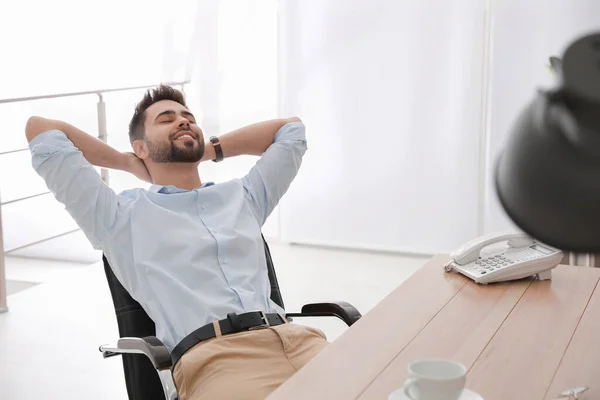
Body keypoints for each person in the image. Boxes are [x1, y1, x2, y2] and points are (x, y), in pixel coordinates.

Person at [25, 84, 328, 399]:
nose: (183, 122)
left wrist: (204, 150)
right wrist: (127, 162)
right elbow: (41, 129)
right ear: (140, 147)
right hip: (218, 361)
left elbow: (292, 131)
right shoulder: (117, 217)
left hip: (298, 340)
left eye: (188, 118)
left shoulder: (244, 197)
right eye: (166, 119)